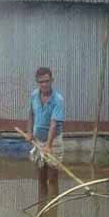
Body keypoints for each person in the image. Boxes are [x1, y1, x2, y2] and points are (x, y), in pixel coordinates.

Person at [25, 67, 65, 204]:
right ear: (37, 82)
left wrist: (48, 145)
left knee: (52, 178)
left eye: (47, 81)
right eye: (41, 82)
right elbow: (31, 114)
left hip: (53, 142)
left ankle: (53, 210)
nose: (44, 84)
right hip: (38, 140)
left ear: (52, 80)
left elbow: (54, 124)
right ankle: (42, 208)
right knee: (41, 178)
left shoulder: (58, 100)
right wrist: (29, 132)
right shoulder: (34, 95)